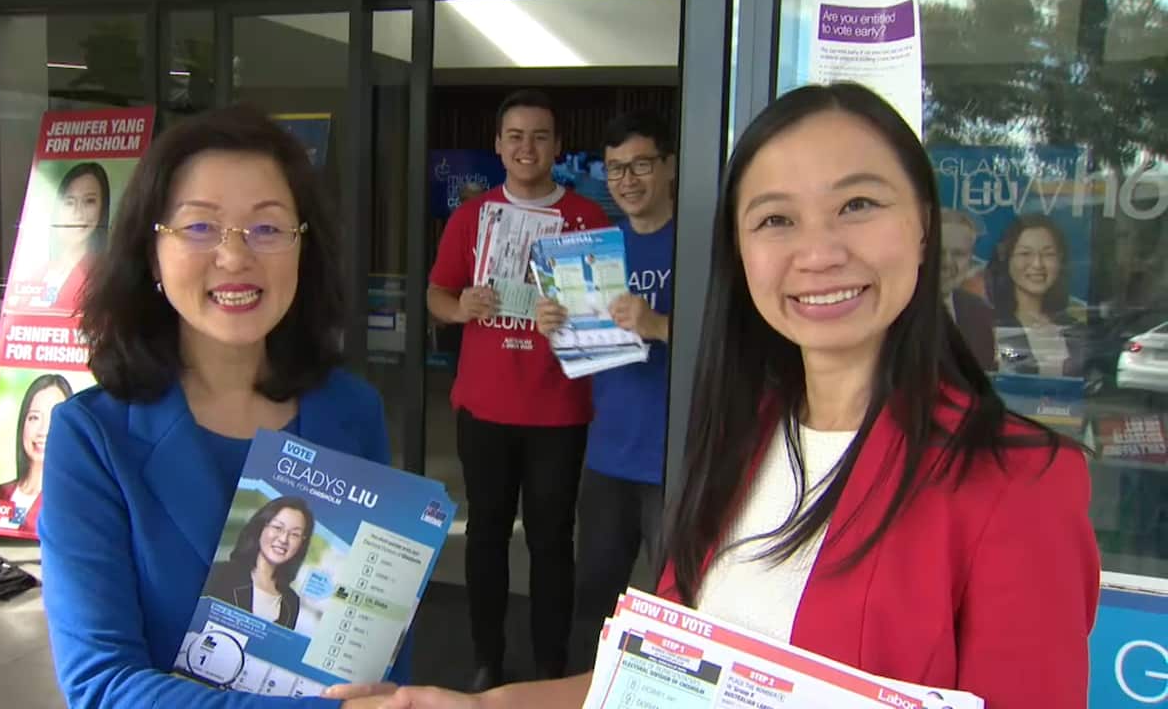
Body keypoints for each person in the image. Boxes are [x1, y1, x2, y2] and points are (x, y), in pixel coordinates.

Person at [381, 83, 1099, 709]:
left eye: (857, 204)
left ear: (921, 230)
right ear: (742, 254)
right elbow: (652, 684)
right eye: (775, 219)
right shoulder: (739, 441)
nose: (817, 252)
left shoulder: (1019, 486)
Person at [39, 105, 404, 708]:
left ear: (302, 250)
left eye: (267, 228)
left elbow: (379, 637)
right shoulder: (92, 440)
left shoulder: (353, 413)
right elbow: (103, 684)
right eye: (200, 227)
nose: (235, 258)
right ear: (151, 252)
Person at [427, 88, 609, 689]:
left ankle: (552, 660)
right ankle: (486, 656)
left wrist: (575, 315)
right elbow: (436, 294)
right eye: (515, 136)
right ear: (498, 146)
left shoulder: (588, 218)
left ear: (557, 147)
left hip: (559, 409)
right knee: (486, 534)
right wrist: (461, 308)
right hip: (485, 405)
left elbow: (608, 316)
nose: (527, 147)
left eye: (539, 136)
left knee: (553, 541)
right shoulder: (472, 217)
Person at [533, 109, 675, 674]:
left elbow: (729, 342)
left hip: (678, 460)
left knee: (682, 599)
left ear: (670, 167)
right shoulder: (596, 248)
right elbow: (580, 351)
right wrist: (555, 328)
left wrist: (659, 324)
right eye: (616, 169)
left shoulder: (700, 248)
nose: (628, 180)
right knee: (594, 599)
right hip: (609, 456)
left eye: (641, 165)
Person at [988, 214, 1083, 377]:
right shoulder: (987, 325)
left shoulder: (1075, 330)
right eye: (1025, 254)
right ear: (1007, 259)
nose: (1037, 264)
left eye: (1048, 254)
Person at [10, 162, 112, 311]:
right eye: (69, 202)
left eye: (89, 201)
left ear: (102, 208)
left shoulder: (105, 276)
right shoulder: (37, 273)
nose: (78, 213)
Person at [204, 496, 315, 631]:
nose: (284, 539)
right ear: (260, 528)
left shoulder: (291, 602)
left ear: (302, 542)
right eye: (277, 527)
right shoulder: (220, 573)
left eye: (295, 534)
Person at [0, 373, 73, 533]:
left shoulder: (68, 501)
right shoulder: (1, 493)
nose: (42, 431)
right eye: (34, 417)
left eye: (53, 418)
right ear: (23, 423)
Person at [938, 208, 995, 370]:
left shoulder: (979, 311)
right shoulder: (894, 308)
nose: (947, 262)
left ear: (970, 259)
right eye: (938, 252)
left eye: (958, 254)